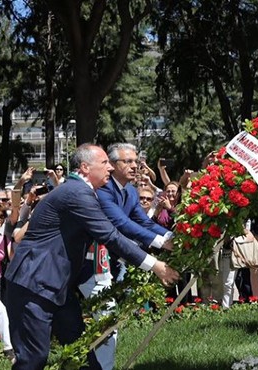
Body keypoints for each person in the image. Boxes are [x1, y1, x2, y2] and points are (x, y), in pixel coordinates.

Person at [4, 143, 180, 369]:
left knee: (79, 350)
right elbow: (111, 235)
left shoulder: (84, 192)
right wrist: (155, 265)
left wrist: (168, 240)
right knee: (33, 358)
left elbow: (130, 225)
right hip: (34, 284)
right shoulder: (77, 193)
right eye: (105, 163)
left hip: (56, 287)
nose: (110, 168)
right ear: (85, 168)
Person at [79, 143, 174, 369]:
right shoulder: (102, 190)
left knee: (106, 320)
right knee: (107, 319)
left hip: (112, 263)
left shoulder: (130, 190)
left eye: (136, 161)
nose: (135, 166)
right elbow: (120, 223)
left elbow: (141, 221)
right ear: (112, 165)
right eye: (128, 161)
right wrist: (162, 242)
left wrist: (172, 236)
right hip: (88, 266)